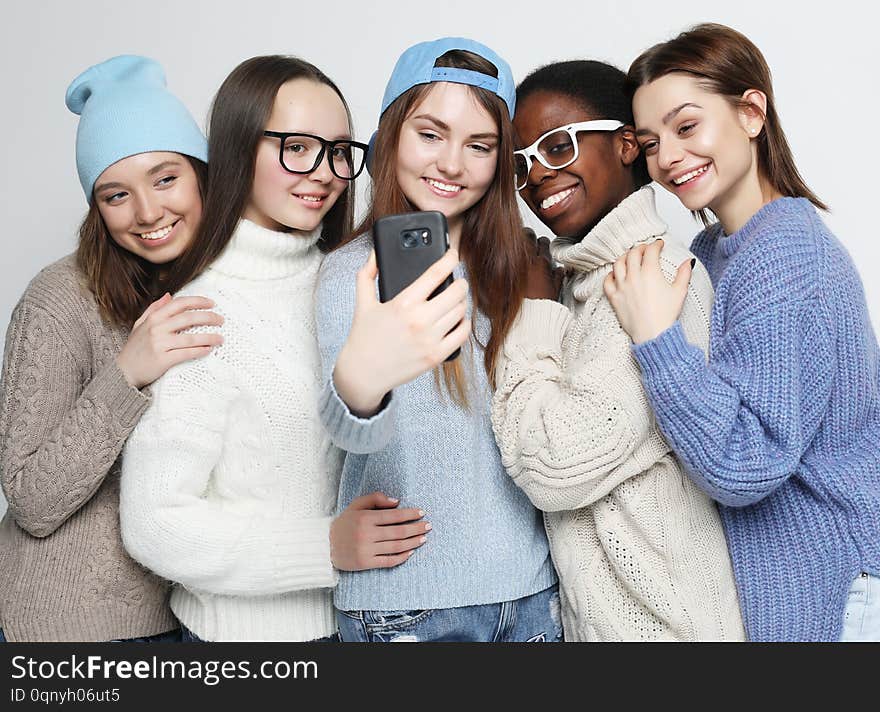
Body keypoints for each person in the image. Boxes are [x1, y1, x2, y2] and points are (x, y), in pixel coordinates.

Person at [119, 55, 422, 643]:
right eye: (297, 146)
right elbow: (155, 523)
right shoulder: (202, 311)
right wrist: (323, 545)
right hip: (245, 645)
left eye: (338, 151)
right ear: (238, 150)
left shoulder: (349, 281)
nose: (325, 173)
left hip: (367, 623)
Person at [604, 22, 880, 641]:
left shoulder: (780, 252)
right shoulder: (721, 248)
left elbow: (744, 463)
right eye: (650, 142)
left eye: (686, 126)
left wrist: (656, 340)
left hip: (836, 592)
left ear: (751, 113)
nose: (668, 157)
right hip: (810, 590)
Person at [316, 38, 560, 643]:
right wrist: (364, 379)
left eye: (479, 146)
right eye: (430, 134)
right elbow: (348, 431)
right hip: (405, 605)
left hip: (531, 594)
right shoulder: (352, 272)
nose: (452, 164)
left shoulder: (523, 267)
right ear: (392, 134)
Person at [490, 59, 744, 641]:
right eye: (521, 164)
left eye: (558, 147)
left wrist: (532, 312)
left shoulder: (657, 278)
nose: (538, 176)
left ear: (627, 144)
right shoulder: (580, 282)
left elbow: (555, 465)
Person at [0, 55, 218, 641]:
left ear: (202, 174)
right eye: (116, 194)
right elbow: (31, 501)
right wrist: (127, 373)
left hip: (180, 622)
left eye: (166, 178)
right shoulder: (60, 298)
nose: (148, 213)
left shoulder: (221, 284)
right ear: (96, 207)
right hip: (64, 626)